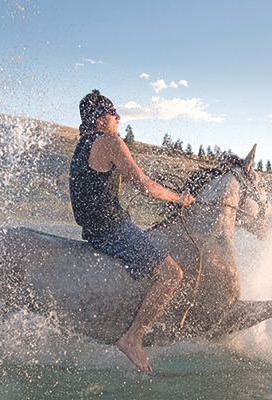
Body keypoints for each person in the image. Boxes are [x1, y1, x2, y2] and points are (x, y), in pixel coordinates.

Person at [69, 89, 195, 373]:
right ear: (101, 120)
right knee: (172, 274)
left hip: (91, 230)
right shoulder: (109, 142)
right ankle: (132, 337)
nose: (119, 118)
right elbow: (146, 187)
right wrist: (180, 198)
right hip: (111, 230)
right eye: (114, 114)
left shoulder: (82, 145)